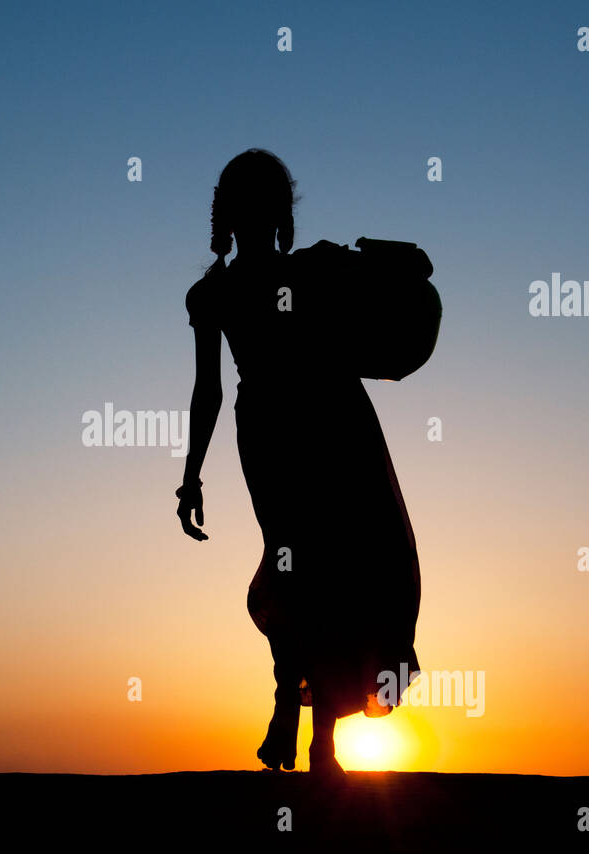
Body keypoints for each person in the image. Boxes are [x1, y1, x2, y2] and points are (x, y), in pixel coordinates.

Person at [177, 149, 441, 777]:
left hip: (309, 428)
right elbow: (206, 391)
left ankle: (297, 721)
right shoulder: (238, 288)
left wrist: (192, 476)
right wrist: (190, 474)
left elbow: (416, 272)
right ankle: (305, 728)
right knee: (304, 570)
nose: (264, 219)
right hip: (298, 431)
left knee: (313, 572)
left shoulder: (258, 282)